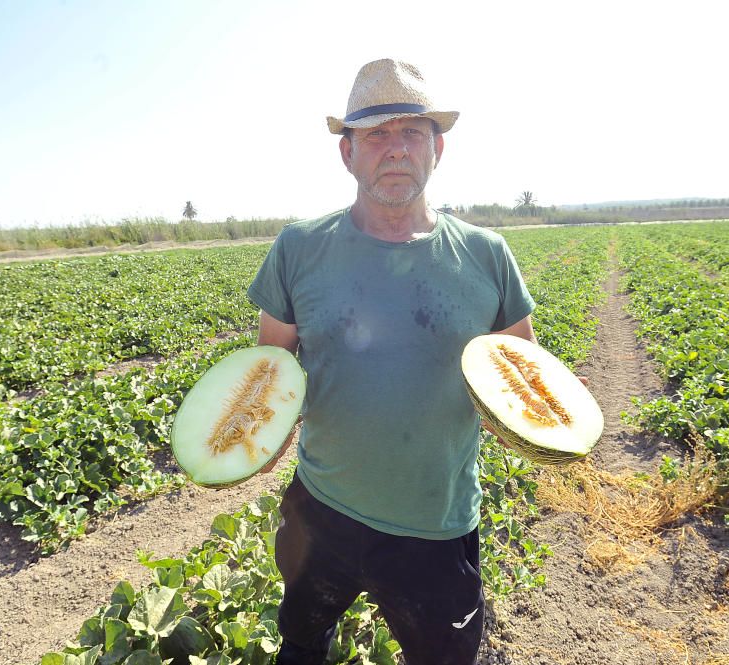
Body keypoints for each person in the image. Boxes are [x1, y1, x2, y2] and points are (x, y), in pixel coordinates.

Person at [247, 58, 537, 665]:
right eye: (376, 134)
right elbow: (270, 372)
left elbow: (522, 372)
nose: (396, 149)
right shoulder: (297, 249)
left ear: (438, 149)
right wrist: (251, 440)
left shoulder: (487, 256)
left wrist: (541, 423)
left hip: (436, 521)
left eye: (412, 132)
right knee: (301, 645)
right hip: (321, 509)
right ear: (347, 153)